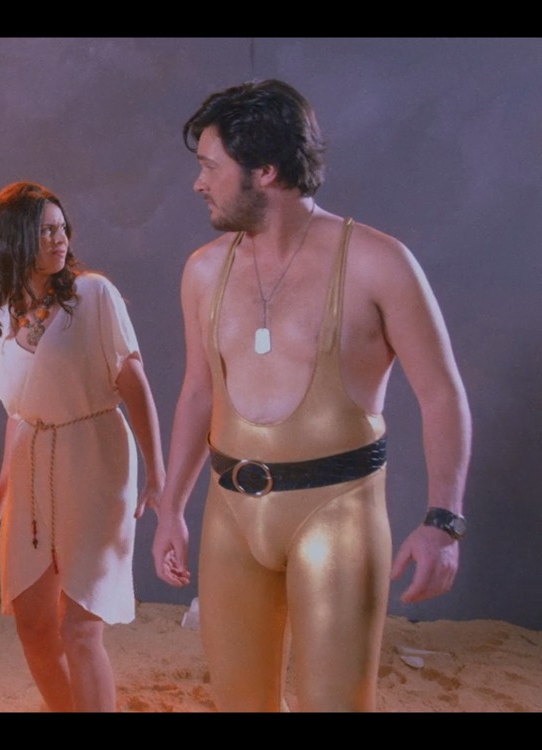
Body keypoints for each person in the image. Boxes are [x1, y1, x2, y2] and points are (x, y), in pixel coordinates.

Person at [151, 80, 471, 711]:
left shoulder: (379, 264)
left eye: (210, 167)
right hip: (230, 513)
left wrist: (443, 523)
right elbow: (197, 392)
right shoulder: (204, 270)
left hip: (338, 512)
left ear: (265, 170)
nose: (198, 183)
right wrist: (170, 510)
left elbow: (441, 394)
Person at [0, 182, 165, 712]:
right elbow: (18, 412)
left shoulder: (93, 295)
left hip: (95, 456)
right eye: (45, 231)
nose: (59, 239)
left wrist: (157, 473)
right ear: (14, 239)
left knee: (79, 628)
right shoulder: (3, 316)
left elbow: (133, 382)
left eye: (61, 228)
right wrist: (2, 493)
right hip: (32, 466)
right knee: (33, 624)